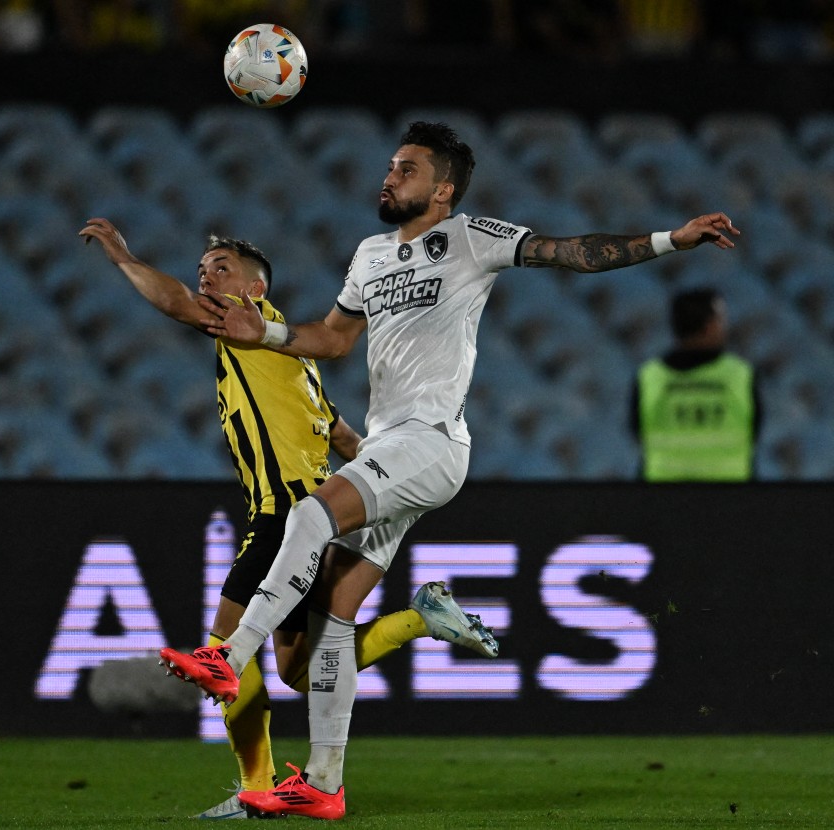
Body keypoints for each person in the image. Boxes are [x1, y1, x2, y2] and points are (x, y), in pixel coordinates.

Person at [159, 121, 739, 820]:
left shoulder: (471, 238)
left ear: (443, 189)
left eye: (406, 169)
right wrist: (273, 334)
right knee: (334, 618)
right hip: (386, 446)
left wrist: (668, 240)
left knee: (312, 512)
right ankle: (324, 782)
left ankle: (229, 654)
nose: (389, 177)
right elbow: (335, 339)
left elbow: (572, 253)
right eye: (391, 166)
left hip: (432, 441)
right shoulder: (371, 255)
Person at [78, 217, 497, 819]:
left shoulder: (244, 331)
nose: (205, 279)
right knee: (302, 670)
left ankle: (255, 786)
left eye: (219, 269)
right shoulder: (293, 358)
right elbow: (346, 438)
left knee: (223, 649)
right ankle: (418, 620)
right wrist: (399, 482)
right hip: (307, 511)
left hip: (284, 513)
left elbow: (173, 302)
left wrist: (123, 256)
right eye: (203, 270)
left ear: (253, 289)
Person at [631, 287, 760, 481]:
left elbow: (637, 432)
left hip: (663, 498)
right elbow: (754, 432)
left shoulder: (649, 377)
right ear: (709, 326)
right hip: (730, 497)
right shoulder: (740, 376)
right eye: (720, 320)